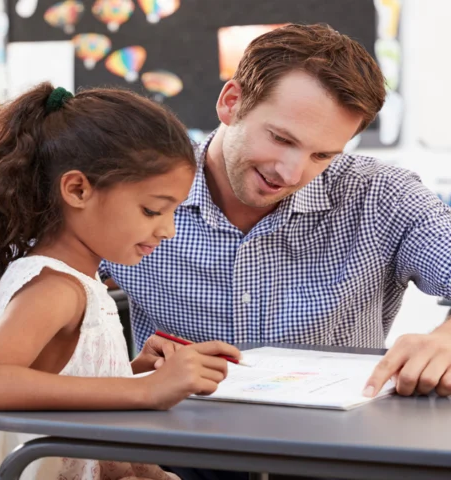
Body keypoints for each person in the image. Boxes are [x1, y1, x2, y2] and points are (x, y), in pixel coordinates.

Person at [100, 22, 451, 479]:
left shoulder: (380, 195)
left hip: (334, 456)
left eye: (322, 155)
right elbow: (23, 275)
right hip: (175, 455)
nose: (291, 172)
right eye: (282, 139)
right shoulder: (135, 188)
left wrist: (444, 340)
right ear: (231, 103)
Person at [0, 82, 241, 480]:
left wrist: (133, 372)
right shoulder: (55, 287)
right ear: (78, 189)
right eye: (152, 210)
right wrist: (144, 391)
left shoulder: (77, 277)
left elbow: (52, 382)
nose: (168, 230)